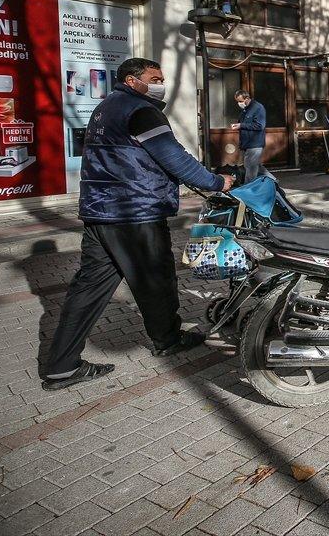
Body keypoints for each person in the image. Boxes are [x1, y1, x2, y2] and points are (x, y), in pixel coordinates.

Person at [40, 58, 234, 390]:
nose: (161, 84)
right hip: (134, 212)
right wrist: (217, 182)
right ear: (132, 81)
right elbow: (173, 157)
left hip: (100, 214)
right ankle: (168, 339)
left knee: (87, 290)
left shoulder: (105, 108)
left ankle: (60, 365)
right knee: (156, 281)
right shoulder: (140, 110)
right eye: (155, 78)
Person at [231, 90, 266, 182]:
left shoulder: (258, 108)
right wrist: (238, 125)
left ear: (247, 98)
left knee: (250, 168)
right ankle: (273, 181)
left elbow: (260, 125)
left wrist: (241, 125)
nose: (239, 103)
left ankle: (248, 188)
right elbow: (244, 123)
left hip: (255, 143)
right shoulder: (245, 109)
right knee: (256, 167)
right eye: (238, 101)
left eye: (240, 101)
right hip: (247, 143)